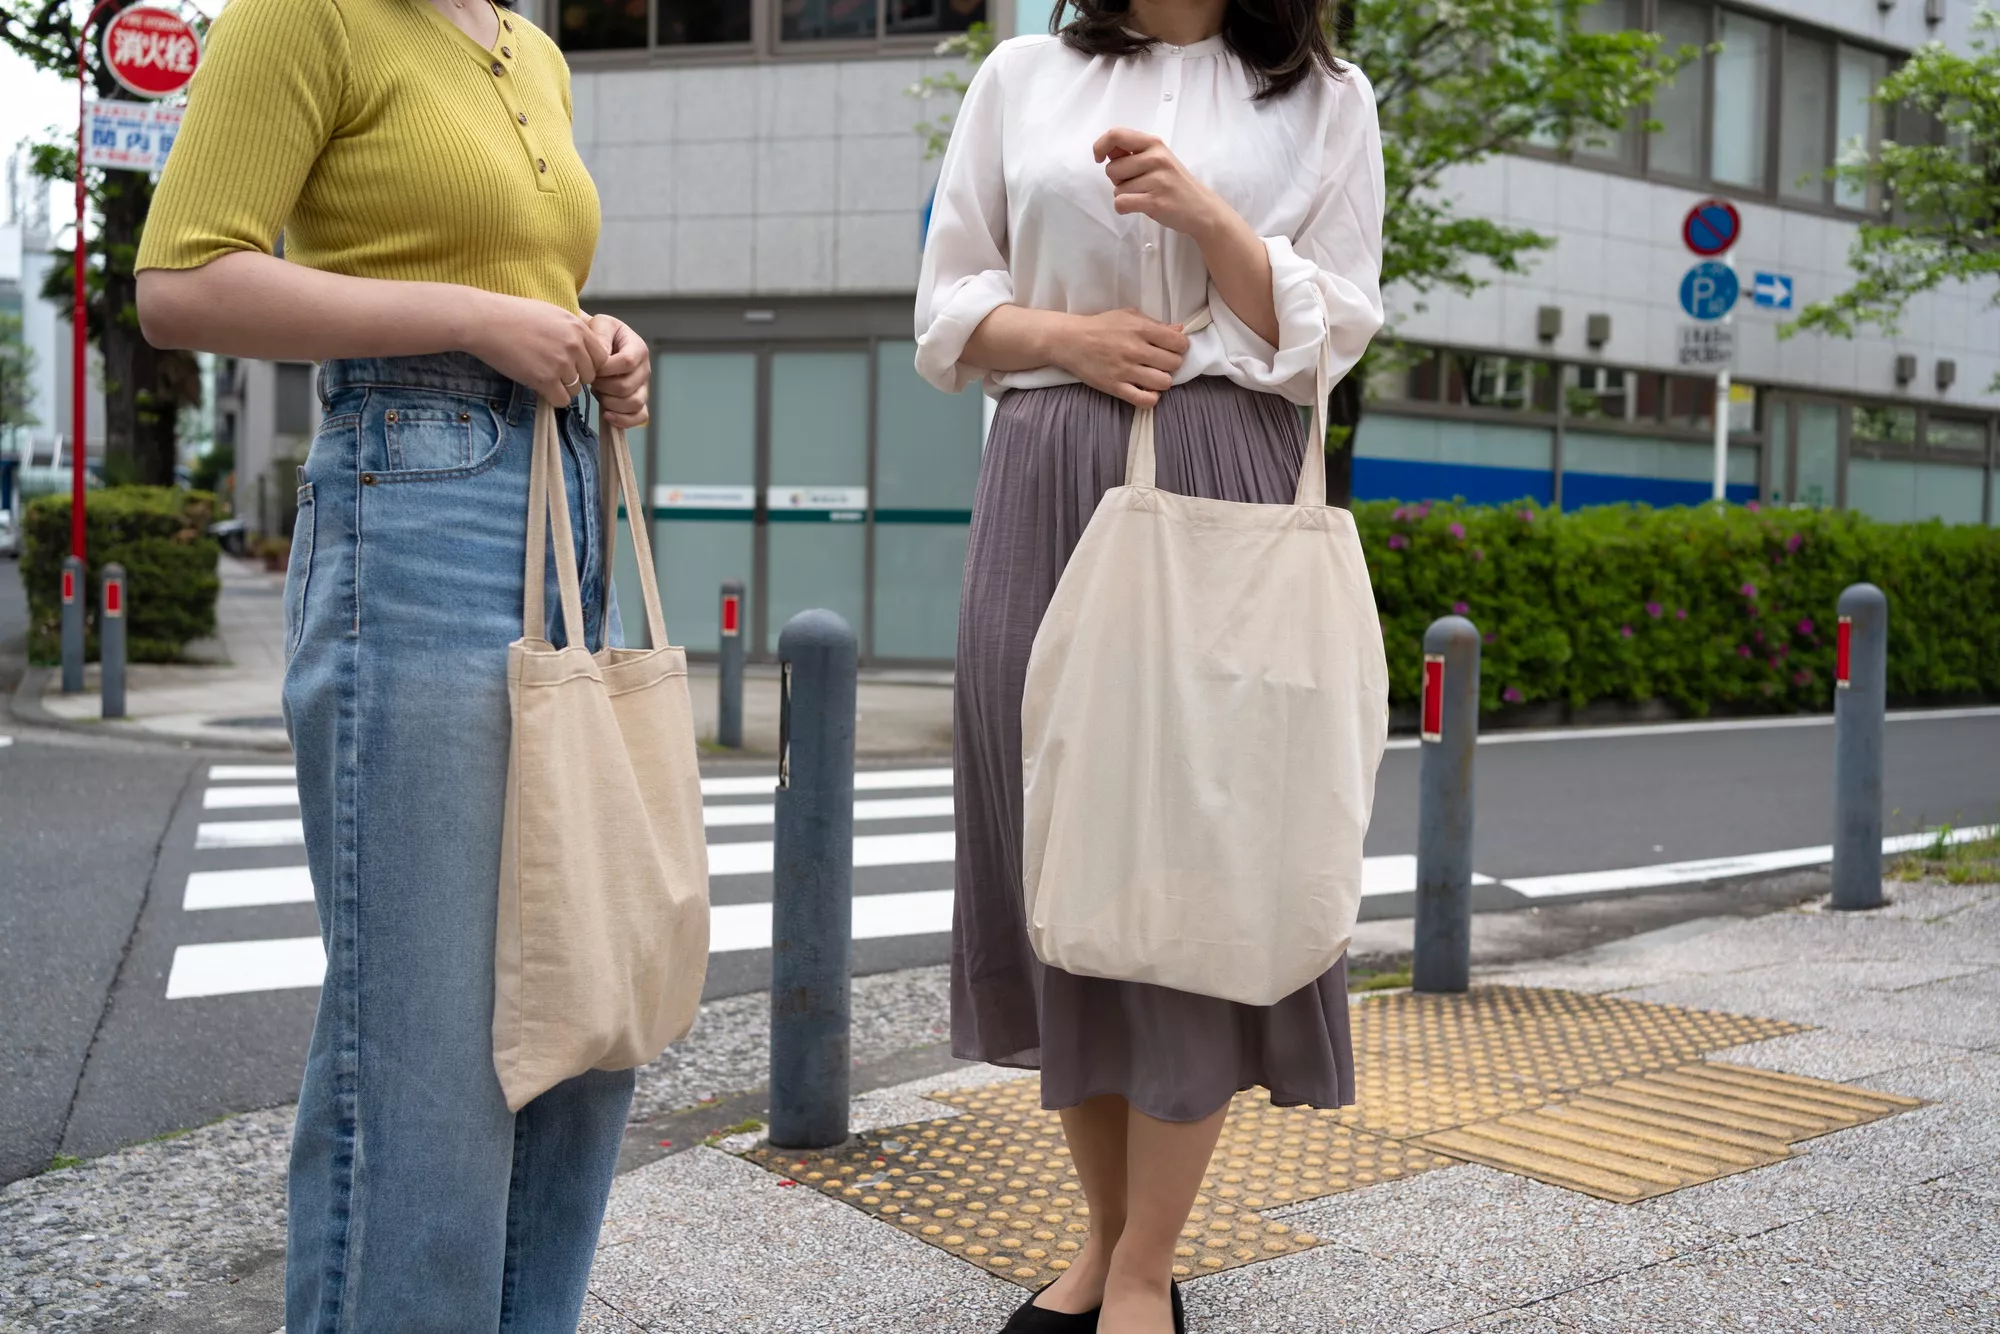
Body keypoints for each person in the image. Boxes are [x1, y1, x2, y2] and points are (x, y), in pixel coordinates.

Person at [134, 0, 649, 1327]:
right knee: (427, 1035)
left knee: (581, 1012)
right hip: (413, 493)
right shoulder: (304, 14)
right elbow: (181, 283)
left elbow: (523, 279)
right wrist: (475, 321)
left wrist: (593, 339)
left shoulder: (530, 49)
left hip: (557, 487)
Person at [914, 0, 1384, 1329]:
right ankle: (1104, 1236)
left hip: (1214, 474)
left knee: (1194, 860)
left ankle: (1141, 1270)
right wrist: (1066, 338)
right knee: (1055, 851)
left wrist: (1209, 223)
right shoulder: (1021, 76)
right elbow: (949, 309)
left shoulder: (1325, 98)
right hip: (1048, 473)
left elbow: (1334, 331)